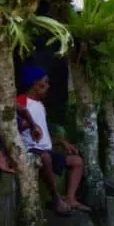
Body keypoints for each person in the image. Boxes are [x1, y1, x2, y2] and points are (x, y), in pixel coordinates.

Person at [18, 66, 90, 215]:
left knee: (77, 161)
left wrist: (61, 142)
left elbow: (44, 133)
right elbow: (16, 126)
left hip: (46, 149)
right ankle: (57, 198)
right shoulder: (21, 101)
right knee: (45, 158)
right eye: (45, 82)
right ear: (35, 84)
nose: (48, 86)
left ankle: (70, 198)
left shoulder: (40, 105)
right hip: (31, 149)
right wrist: (27, 125)